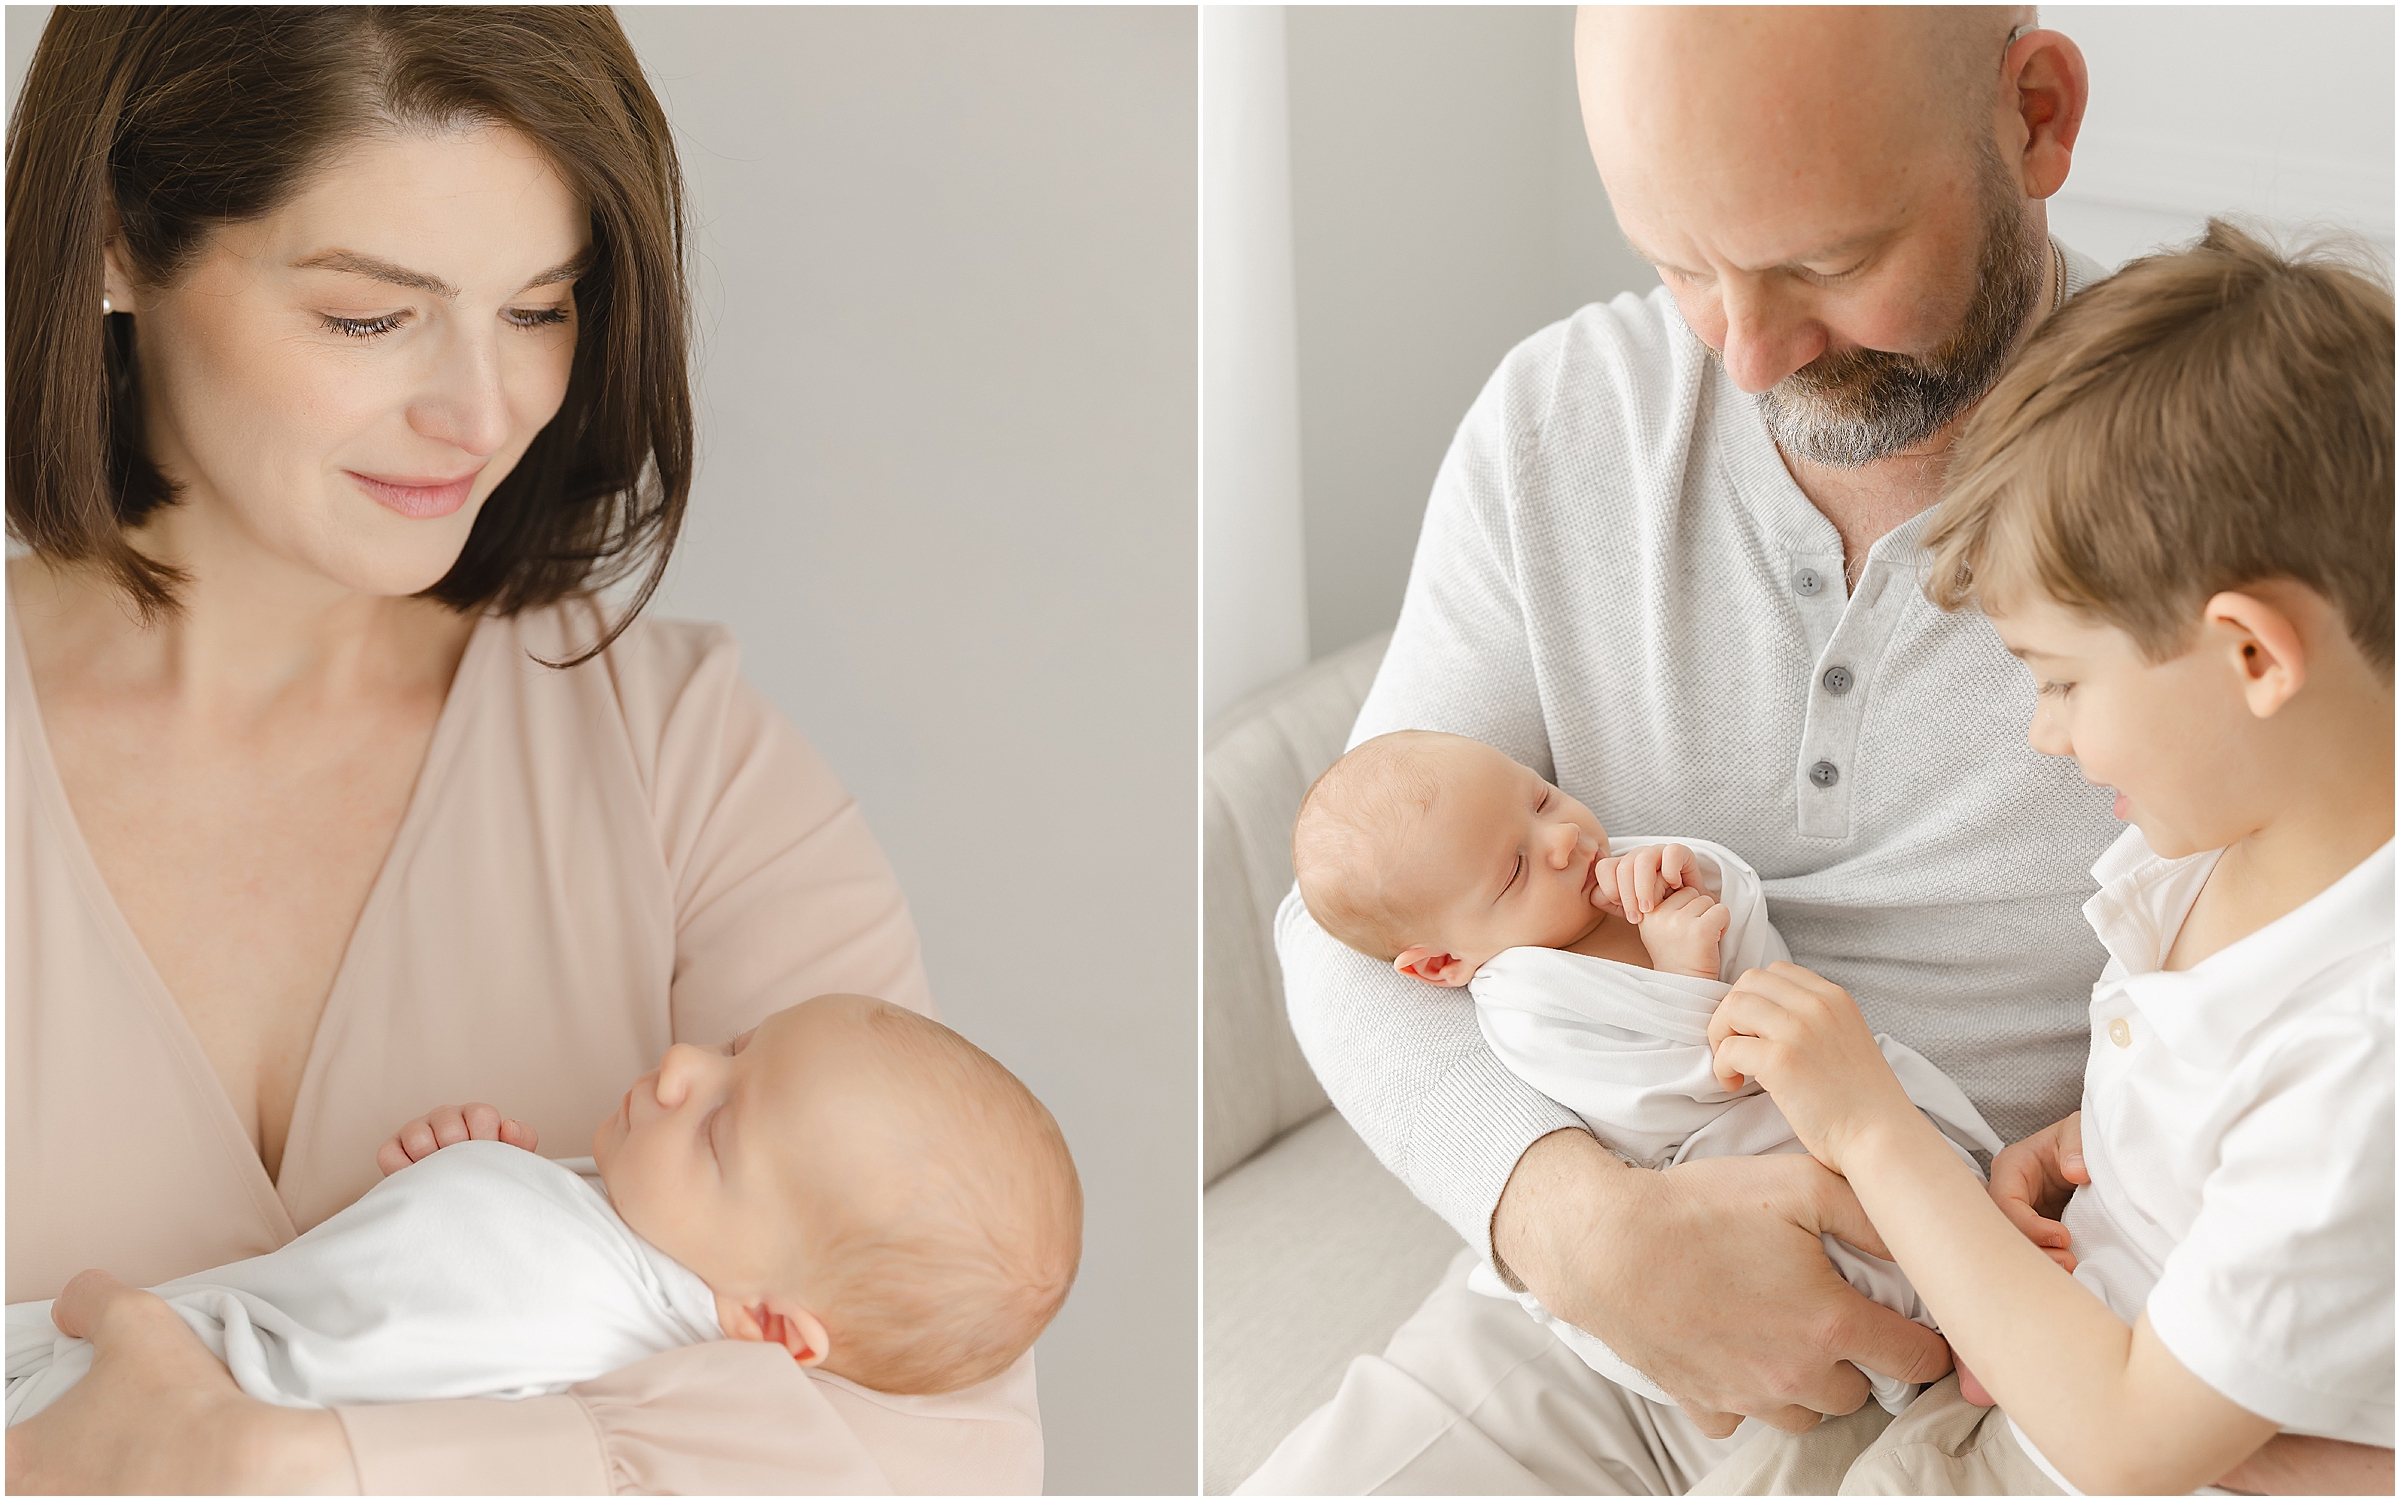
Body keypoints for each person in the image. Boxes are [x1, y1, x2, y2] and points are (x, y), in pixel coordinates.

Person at [1249, 8, 2371, 1493]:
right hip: (1598, 1306)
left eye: (1828, 263)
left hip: (2006, 1326)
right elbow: (1345, 921)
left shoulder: (2214, 482)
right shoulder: (1560, 422)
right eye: (1681, 264)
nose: (1753, 350)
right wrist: (1587, 1233)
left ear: (2034, 115)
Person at [5, 9, 1042, 1492]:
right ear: (114, 242)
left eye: (541, 308)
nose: (482, 414)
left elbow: (941, 1449)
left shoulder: (685, 762)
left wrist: (305, 1466)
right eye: (370, 315)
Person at [1700, 223, 2393, 1495]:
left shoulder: (2364, 1052)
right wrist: (2118, 1155)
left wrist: (1875, 1129)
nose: (2044, 731)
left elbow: (2130, 1442)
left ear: (2252, 655)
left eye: (2064, 680)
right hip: (2043, 1386)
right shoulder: (2230, 850)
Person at [1292, 729, 2003, 1417]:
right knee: (1860, 1245)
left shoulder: (1615, 880)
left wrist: (1695, 875)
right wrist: (1685, 975)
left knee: (1918, 1155)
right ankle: (1967, 1324)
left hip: (1822, 1092)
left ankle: (1989, 1269)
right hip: (1721, 1169)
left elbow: (1760, 941)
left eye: (1541, 799)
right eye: (1515, 869)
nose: (1563, 839)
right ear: (1444, 962)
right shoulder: (1528, 1002)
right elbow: (1657, 1104)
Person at [11, 995, 1084, 1421]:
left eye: (717, 1127)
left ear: (768, 1322)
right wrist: (454, 1178)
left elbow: (341, 1396)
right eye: (737, 1047)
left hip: (104, 1396)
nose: (678, 1065)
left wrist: (468, 1203)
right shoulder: (629, 1252)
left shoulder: (556, 1297)